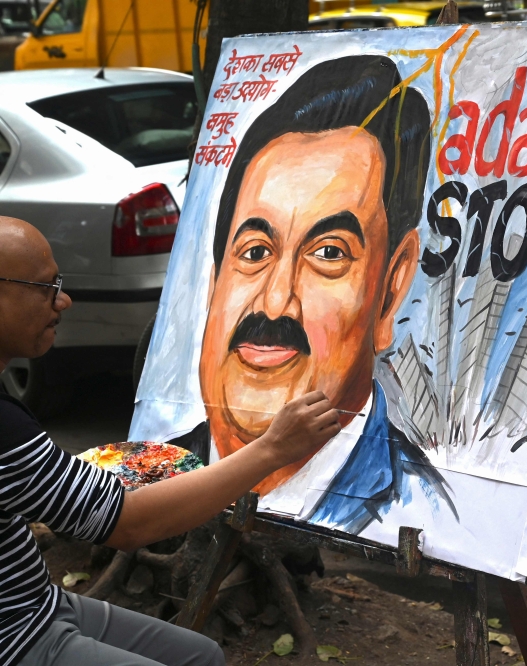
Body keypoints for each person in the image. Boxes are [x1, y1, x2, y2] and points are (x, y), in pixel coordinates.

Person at [0, 216, 342, 665]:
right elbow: (128, 524)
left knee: (200, 655)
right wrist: (272, 448)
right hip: (15, 636)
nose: (63, 300)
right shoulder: (6, 430)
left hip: (37, 604)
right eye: (45, 286)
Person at [170, 54, 455, 533]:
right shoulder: (162, 472)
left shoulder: (425, 512)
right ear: (215, 279)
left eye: (328, 253)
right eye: (256, 251)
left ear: (391, 289)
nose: (275, 302)